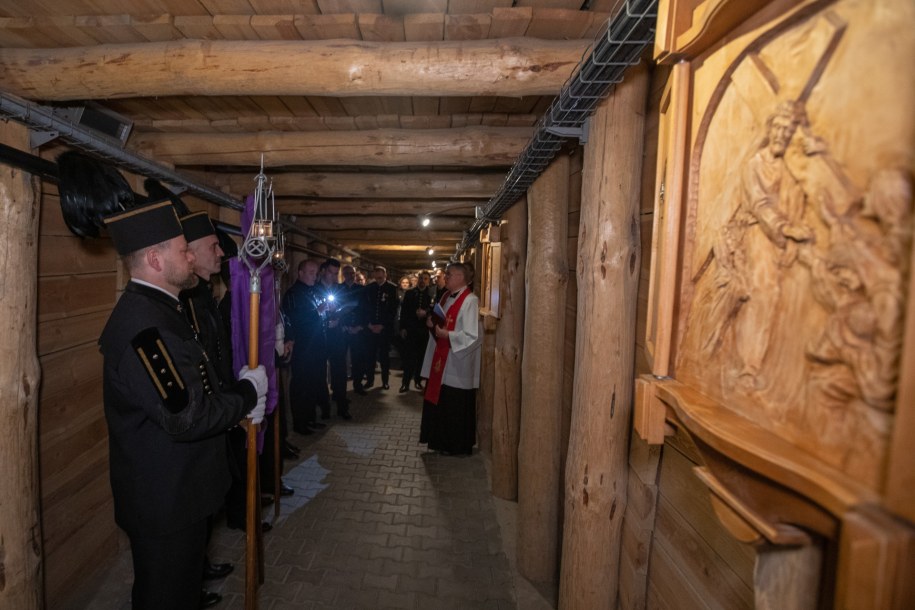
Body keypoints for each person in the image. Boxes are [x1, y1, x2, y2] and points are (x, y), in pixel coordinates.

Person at [98, 201, 267, 610]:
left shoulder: (160, 309)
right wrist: (247, 395)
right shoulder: (146, 326)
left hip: (178, 492)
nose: (191, 255)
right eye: (183, 249)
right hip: (164, 500)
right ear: (155, 259)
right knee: (166, 597)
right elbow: (186, 416)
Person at [420, 262, 482, 455]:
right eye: (446, 274)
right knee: (442, 404)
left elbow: (473, 335)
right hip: (443, 360)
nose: (445, 277)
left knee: (455, 405)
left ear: (462, 278)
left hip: (457, 364)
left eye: (450, 274)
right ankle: (440, 442)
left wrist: (448, 335)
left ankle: (457, 446)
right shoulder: (447, 296)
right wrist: (432, 323)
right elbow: (442, 322)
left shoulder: (470, 300)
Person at [282, 259, 330, 432]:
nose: (314, 276)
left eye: (316, 273)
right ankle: (300, 423)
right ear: (300, 273)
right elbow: (293, 320)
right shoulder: (293, 294)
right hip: (302, 348)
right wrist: (318, 312)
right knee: (301, 385)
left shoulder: (313, 291)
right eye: (311, 272)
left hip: (316, 347)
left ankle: (310, 418)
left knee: (313, 384)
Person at [316, 258, 351, 419]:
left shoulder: (341, 290)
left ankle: (342, 407)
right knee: (320, 371)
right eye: (331, 272)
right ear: (323, 271)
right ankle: (325, 408)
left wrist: (339, 320)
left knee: (340, 371)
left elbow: (348, 309)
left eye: (336, 273)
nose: (334, 276)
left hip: (337, 335)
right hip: (320, 336)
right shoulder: (314, 289)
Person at [363, 266, 398, 390]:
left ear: (385, 275)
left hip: (384, 329)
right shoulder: (369, 288)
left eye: (380, 277)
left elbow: (393, 310)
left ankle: (385, 381)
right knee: (370, 356)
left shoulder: (392, 289)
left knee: (384, 357)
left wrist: (382, 325)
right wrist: (369, 324)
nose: (378, 279)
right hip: (371, 328)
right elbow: (365, 308)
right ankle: (370, 380)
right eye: (376, 277)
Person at [399, 271, 434, 392]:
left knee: (421, 357)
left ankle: (418, 381)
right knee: (408, 357)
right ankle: (405, 383)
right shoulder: (409, 293)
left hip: (424, 330)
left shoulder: (431, 294)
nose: (422, 280)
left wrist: (427, 312)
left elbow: (434, 309)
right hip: (411, 329)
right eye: (421, 278)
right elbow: (403, 312)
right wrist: (402, 328)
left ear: (428, 281)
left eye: (425, 279)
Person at [339, 264, 368, 396]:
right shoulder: (338, 289)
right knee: (340, 360)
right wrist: (343, 325)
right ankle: (340, 388)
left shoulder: (362, 289)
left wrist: (360, 326)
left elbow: (366, 310)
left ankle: (358, 385)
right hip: (343, 330)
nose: (350, 276)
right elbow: (336, 309)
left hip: (358, 329)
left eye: (352, 273)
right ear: (343, 275)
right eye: (347, 273)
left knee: (358, 359)